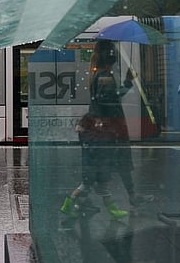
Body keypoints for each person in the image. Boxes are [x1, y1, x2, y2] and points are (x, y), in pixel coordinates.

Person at [60, 40, 146, 220]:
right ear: (111, 57)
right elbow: (108, 100)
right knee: (101, 172)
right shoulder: (105, 76)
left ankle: (90, 204)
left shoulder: (96, 73)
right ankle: (113, 204)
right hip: (107, 130)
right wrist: (128, 83)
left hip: (100, 130)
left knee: (97, 174)